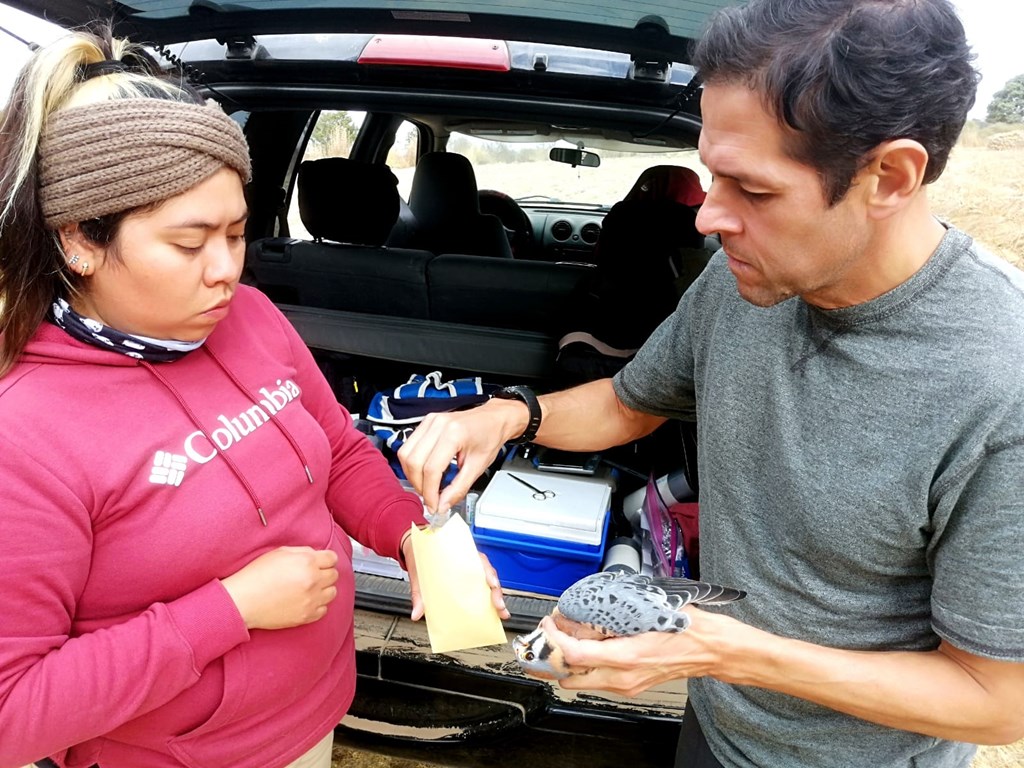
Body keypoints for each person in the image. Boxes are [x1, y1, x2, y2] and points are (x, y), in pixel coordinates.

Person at [398, 0, 1024, 766]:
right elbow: (630, 403)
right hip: (715, 728)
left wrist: (722, 653)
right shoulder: (740, 280)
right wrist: (505, 417)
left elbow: (997, 701)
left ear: (889, 176)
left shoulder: (1002, 382)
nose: (708, 219)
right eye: (708, 178)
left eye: (752, 190)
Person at [0, 27, 508, 768]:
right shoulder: (25, 434)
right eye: (189, 242)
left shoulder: (250, 318)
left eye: (238, 234)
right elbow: (13, 712)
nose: (226, 271)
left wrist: (412, 539)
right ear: (79, 238)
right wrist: (227, 611)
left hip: (311, 720)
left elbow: (334, 447)